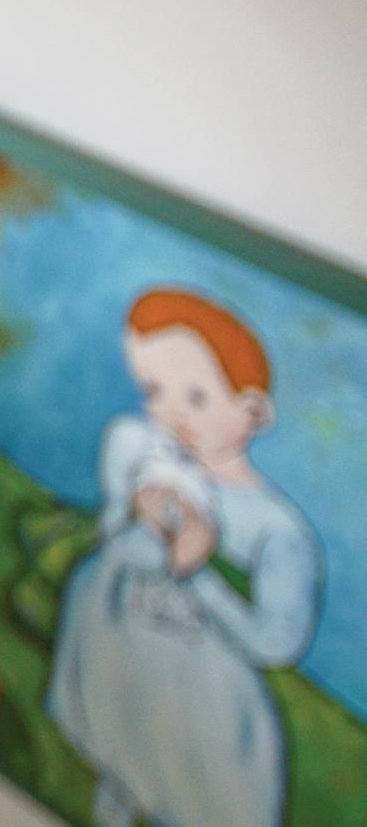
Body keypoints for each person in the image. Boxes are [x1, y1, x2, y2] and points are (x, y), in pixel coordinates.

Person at [46, 289, 322, 827]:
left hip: (205, 698)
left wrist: (195, 571)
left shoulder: (277, 529)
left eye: (196, 397)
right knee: (122, 737)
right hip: (122, 652)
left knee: (194, 786)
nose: (171, 414)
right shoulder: (154, 462)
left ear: (251, 411)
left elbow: (277, 641)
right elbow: (115, 540)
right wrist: (138, 519)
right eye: (154, 391)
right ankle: (120, 787)